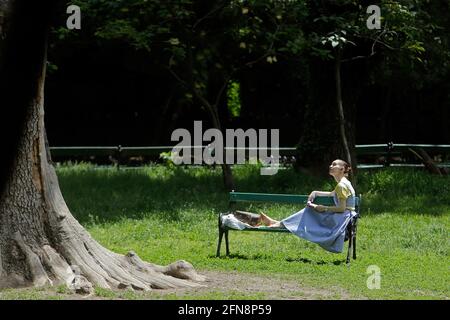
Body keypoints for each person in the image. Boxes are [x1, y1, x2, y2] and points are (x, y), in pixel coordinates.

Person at [259, 159, 357, 253]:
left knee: (310, 211)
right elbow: (331, 194)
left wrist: (324, 208)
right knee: (310, 210)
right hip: (343, 217)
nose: (331, 166)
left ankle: (278, 224)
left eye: (334, 164)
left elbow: (341, 208)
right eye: (331, 164)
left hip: (342, 221)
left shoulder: (342, 185)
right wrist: (315, 192)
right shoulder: (343, 183)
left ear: (342, 169)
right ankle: (278, 224)